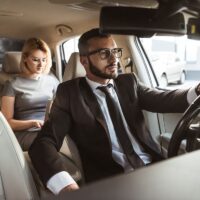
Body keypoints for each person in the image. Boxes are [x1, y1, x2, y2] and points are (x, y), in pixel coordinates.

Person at [29, 28, 199, 195]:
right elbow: (45, 141)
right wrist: (66, 186)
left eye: (115, 51)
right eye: (104, 53)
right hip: (112, 180)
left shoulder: (129, 82)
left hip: (154, 168)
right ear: (84, 61)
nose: (114, 59)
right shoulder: (69, 94)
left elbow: (165, 99)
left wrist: (197, 91)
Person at [1, 38, 59, 151]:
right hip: (26, 133)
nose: (41, 64)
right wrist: (32, 123)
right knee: (47, 143)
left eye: (44, 59)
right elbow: (7, 122)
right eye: (36, 60)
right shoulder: (12, 84)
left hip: (51, 129)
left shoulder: (52, 81)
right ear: (25, 59)